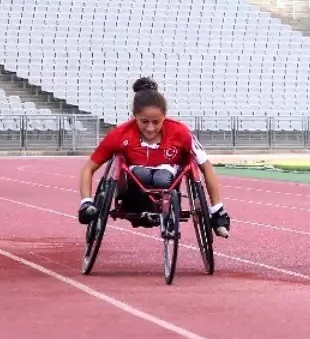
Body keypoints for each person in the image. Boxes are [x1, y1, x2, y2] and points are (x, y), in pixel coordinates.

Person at [77, 77, 231, 237]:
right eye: (144, 121)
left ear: (165, 116)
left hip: (167, 180)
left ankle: (166, 209)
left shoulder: (181, 132)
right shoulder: (120, 134)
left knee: (162, 179)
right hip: (135, 188)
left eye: (156, 122)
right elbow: (88, 168)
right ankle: (143, 206)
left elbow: (206, 167)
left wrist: (217, 209)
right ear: (134, 116)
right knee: (141, 175)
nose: (150, 128)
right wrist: (86, 202)